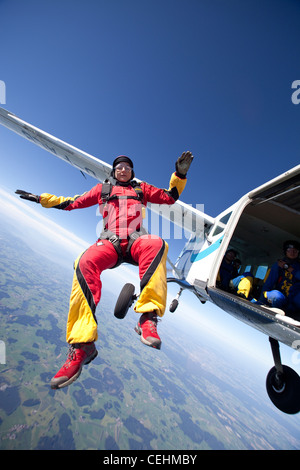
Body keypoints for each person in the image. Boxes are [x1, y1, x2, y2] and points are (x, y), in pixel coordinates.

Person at [16, 151, 193, 389]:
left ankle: (148, 317)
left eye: (127, 167)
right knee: (84, 261)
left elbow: (170, 197)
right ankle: (82, 346)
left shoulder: (141, 190)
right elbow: (72, 202)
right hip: (109, 242)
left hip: (135, 241)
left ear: (132, 172)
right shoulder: (103, 190)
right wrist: (41, 199)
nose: (123, 170)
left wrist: (179, 174)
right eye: (119, 167)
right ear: (113, 171)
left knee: (157, 243)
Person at [260, 240, 300, 318]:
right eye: (289, 250)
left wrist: (290, 269)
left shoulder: (298, 266)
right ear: (285, 251)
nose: (292, 252)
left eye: (295, 251)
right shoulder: (278, 265)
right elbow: (269, 283)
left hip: (295, 301)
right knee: (275, 295)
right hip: (282, 298)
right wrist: (261, 301)